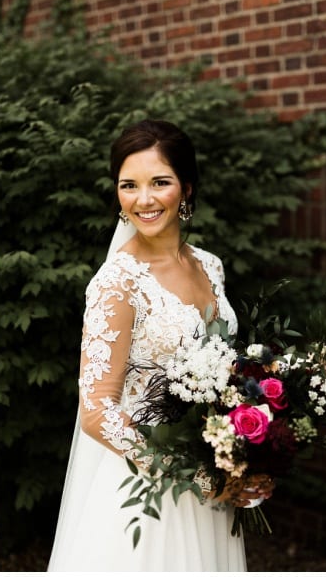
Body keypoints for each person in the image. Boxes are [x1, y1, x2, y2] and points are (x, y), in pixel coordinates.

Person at [49, 119, 273, 571]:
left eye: (160, 182)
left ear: (186, 188)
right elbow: (96, 412)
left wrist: (247, 449)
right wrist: (196, 477)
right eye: (128, 185)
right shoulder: (117, 282)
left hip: (214, 486)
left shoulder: (211, 266)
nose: (143, 199)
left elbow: (226, 376)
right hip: (145, 492)